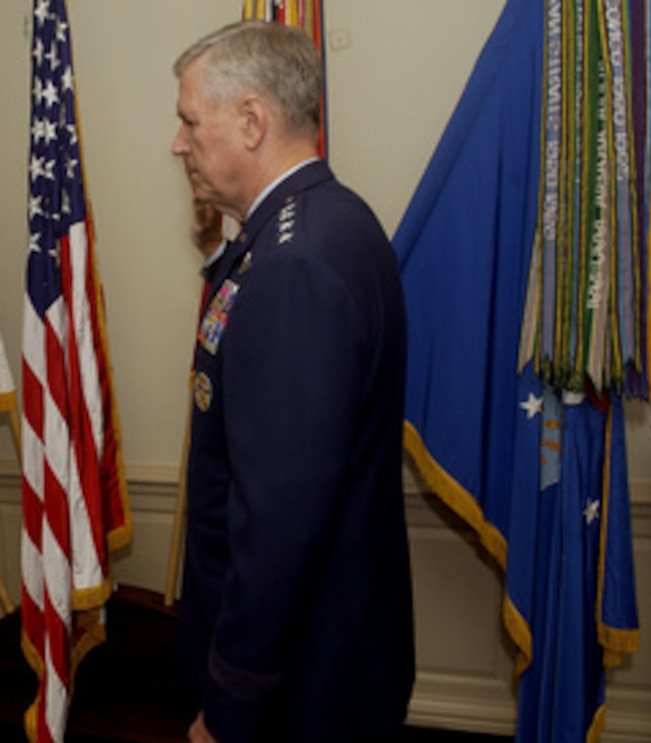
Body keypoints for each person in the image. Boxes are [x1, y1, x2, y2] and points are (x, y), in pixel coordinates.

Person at [171, 21, 415, 743]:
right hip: (330, 651)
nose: (179, 142)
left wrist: (232, 701)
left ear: (251, 120)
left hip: (296, 683)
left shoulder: (293, 264)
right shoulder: (327, 221)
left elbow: (279, 519)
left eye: (189, 121)